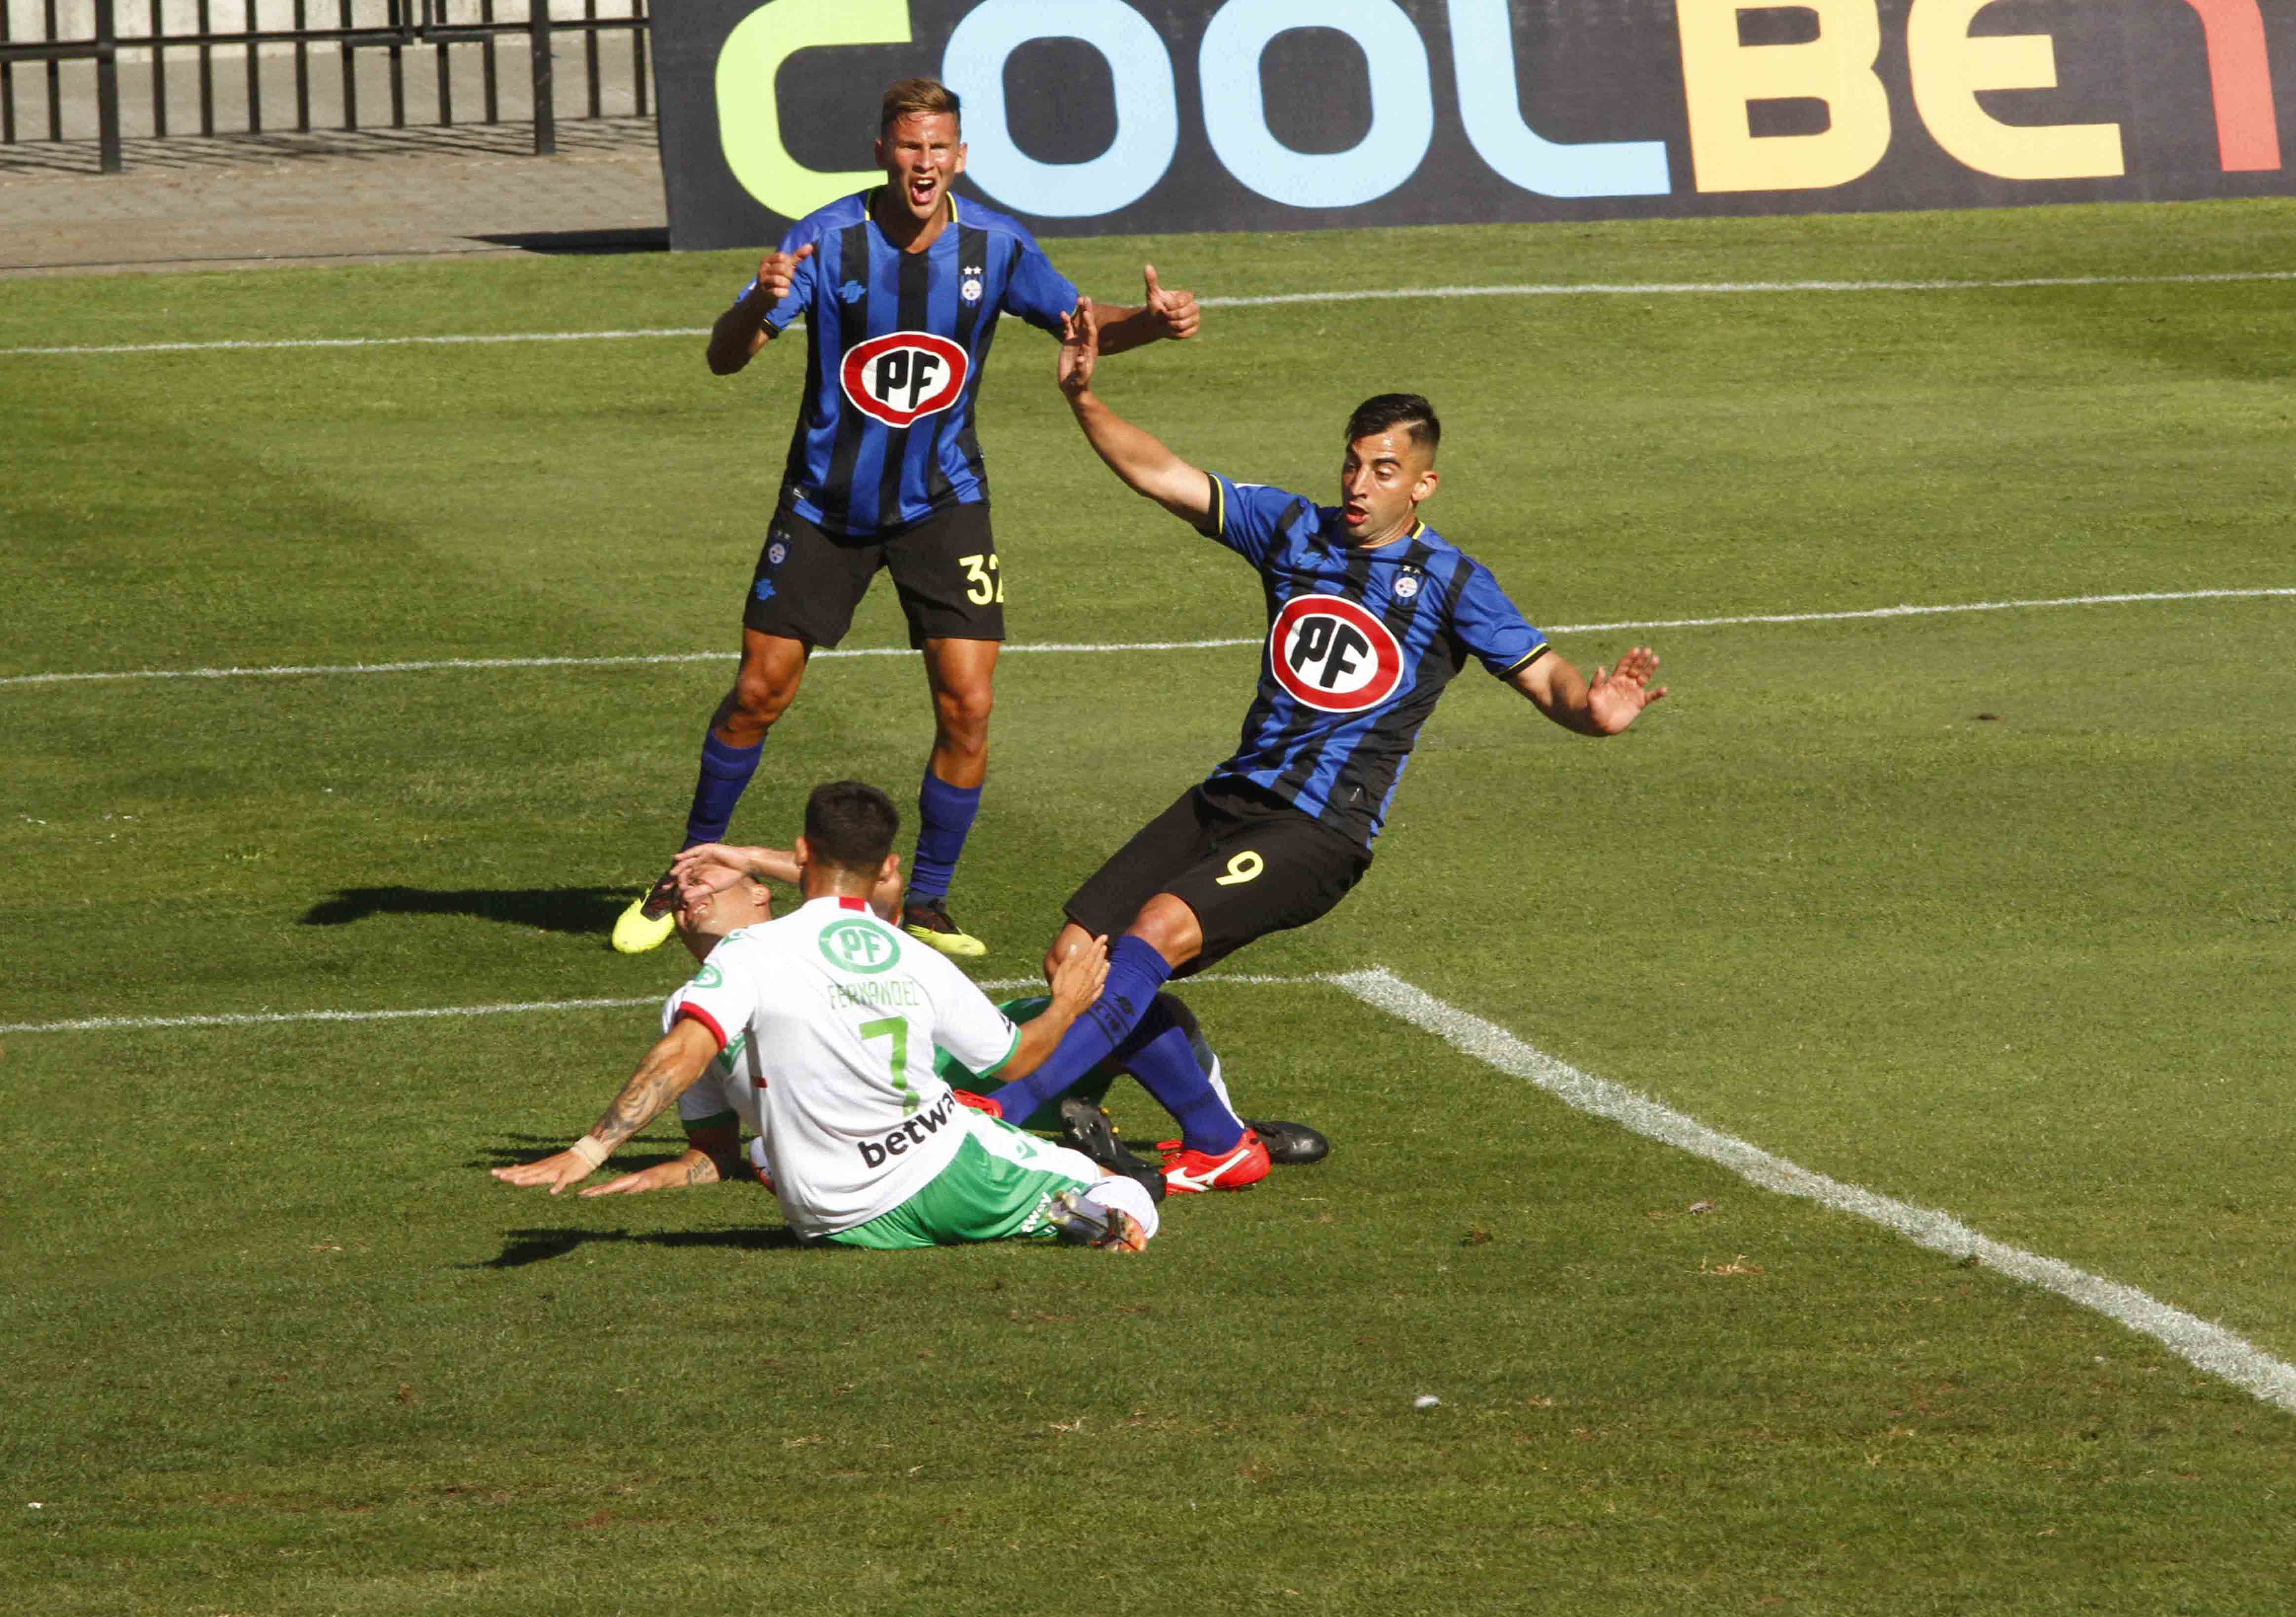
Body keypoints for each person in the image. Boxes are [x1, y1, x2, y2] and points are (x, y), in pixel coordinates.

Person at [972, 300, 1667, 1192]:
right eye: (1352, 462)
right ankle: (1218, 1139)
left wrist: (1596, 710)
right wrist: (1082, 399)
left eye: (1383, 470)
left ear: (1422, 485)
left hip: (1320, 829)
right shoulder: (1293, 529)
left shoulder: (1453, 584)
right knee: (1075, 956)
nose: (1358, 483)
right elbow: (1165, 476)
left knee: (1154, 932)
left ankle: (1002, 1110)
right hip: (1231, 796)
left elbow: (1548, 680)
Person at [611, 75, 1202, 962]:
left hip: (943, 503)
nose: (924, 165)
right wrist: (755, 302)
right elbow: (725, 359)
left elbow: (1081, 326)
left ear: (959, 157)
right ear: (883, 152)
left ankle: (924, 902)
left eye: (940, 149)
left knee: (968, 704)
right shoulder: (826, 240)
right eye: (910, 147)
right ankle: (682, 873)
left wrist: (1151, 325)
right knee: (758, 694)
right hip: (826, 506)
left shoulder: (996, 246)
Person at [514, 781, 1158, 1252]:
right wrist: (1069, 1003)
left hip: (831, 1218)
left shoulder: (750, 955)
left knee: (782, 1145)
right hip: (944, 1173)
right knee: (1122, 1190)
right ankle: (1094, 1215)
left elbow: (684, 1053)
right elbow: (1016, 1058)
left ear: (800, 853)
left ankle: (1061, 1200)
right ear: (884, 866)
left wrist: (590, 1149)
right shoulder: (909, 953)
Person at [663, 839, 1331, 1182]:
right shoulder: (687, 1011)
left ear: (761, 896)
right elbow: (713, 1154)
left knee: (1131, 998)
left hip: (973, 1066)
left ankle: (1222, 1137)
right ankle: (1130, 1149)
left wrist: (747, 854)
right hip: (895, 1128)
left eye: (709, 874)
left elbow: (885, 882)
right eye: (684, 884)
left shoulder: (826, 935)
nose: (692, 885)